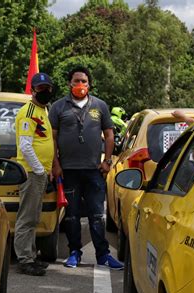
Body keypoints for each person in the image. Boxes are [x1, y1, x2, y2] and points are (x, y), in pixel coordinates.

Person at [49, 66, 124, 270]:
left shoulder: (100, 106)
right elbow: (52, 138)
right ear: (69, 84)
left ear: (89, 84)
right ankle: (74, 253)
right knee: (71, 215)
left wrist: (107, 161)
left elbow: (109, 135)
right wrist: (55, 164)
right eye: (76, 81)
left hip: (94, 171)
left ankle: (103, 255)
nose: (80, 85)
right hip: (68, 170)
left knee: (97, 214)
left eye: (84, 81)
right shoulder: (58, 107)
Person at [14, 72, 55, 276]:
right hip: (32, 172)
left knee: (33, 216)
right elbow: (26, 146)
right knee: (27, 217)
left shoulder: (42, 110)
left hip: (39, 172)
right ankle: (25, 259)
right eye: (41, 88)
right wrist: (39, 170)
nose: (45, 91)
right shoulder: (29, 112)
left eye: (47, 88)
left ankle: (30, 255)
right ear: (33, 90)